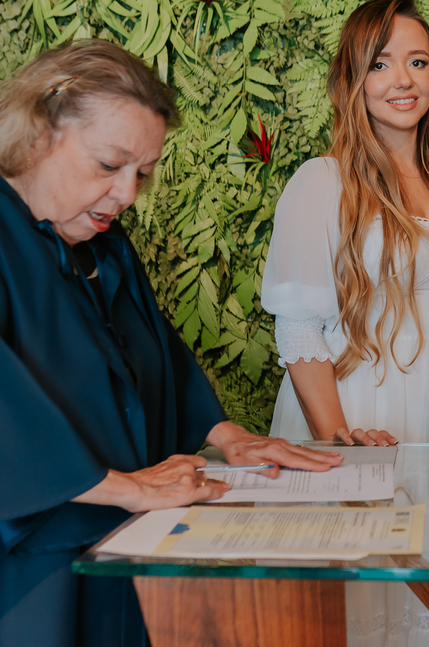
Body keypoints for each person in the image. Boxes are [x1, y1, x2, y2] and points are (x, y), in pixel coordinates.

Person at [0, 40, 342, 647]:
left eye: (142, 174)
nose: (127, 195)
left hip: (123, 547)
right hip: (32, 569)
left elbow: (157, 356)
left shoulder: (103, 245)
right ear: (37, 134)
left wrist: (230, 437)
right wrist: (125, 487)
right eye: (109, 165)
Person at [260, 0, 429, 645]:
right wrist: (339, 448)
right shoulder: (320, 182)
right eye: (382, 64)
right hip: (355, 415)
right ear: (352, 81)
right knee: (359, 603)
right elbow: (298, 329)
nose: (404, 80)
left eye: (418, 62)